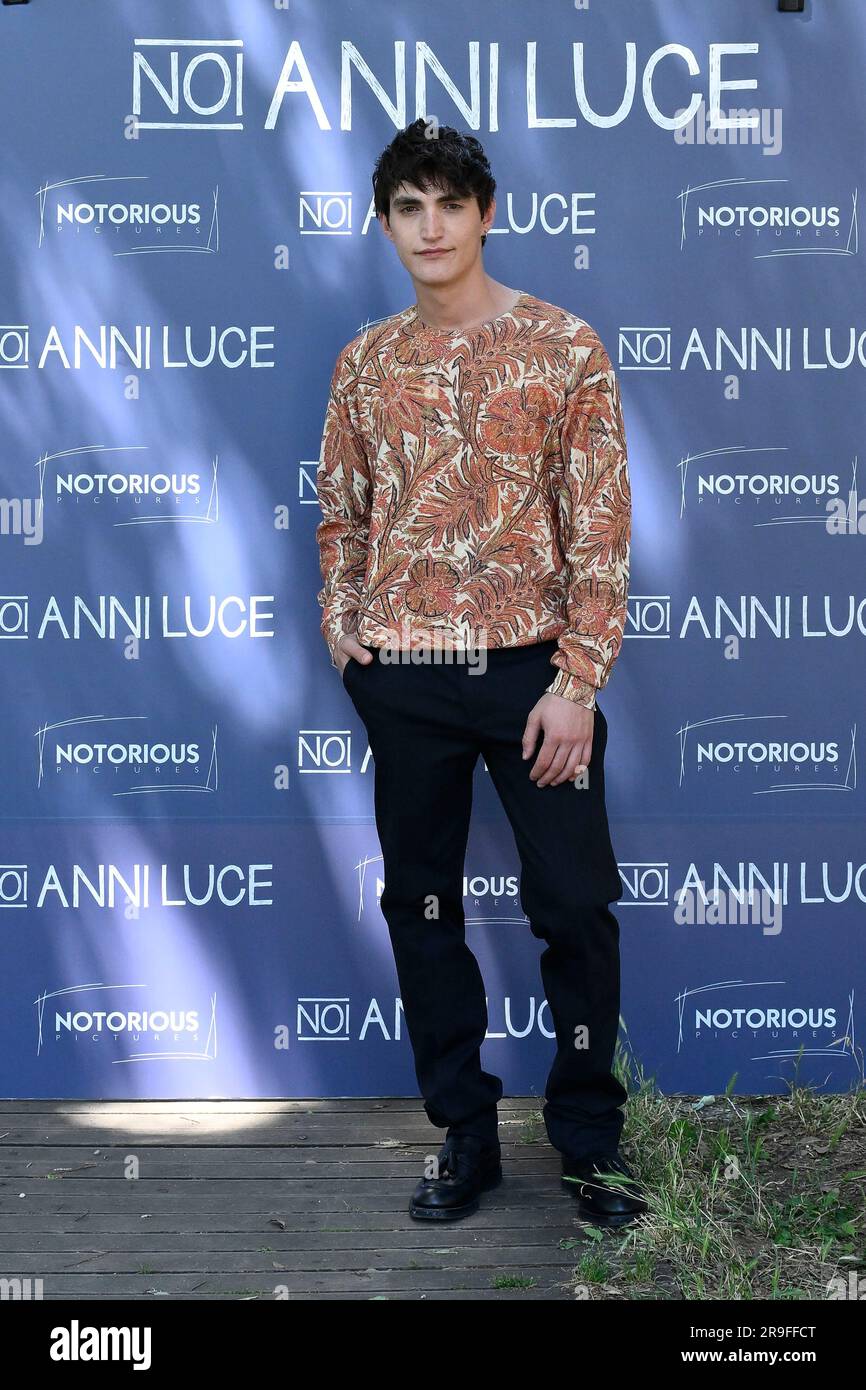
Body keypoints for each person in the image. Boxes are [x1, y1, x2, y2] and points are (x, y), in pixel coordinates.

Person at [315, 118, 646, 1228]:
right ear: (384, 222)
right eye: (408, 206)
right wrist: (340, 618)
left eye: (448, 203)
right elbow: (342, 511)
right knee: (419, 904)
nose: (430, 225)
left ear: (485, 213)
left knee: (574, 907)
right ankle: (462, 1132)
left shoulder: (562, 345)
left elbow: (598, 526)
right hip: (403, 676)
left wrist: (578, 680)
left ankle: (590, 1140)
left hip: (530, 679)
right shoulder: (363, 362)